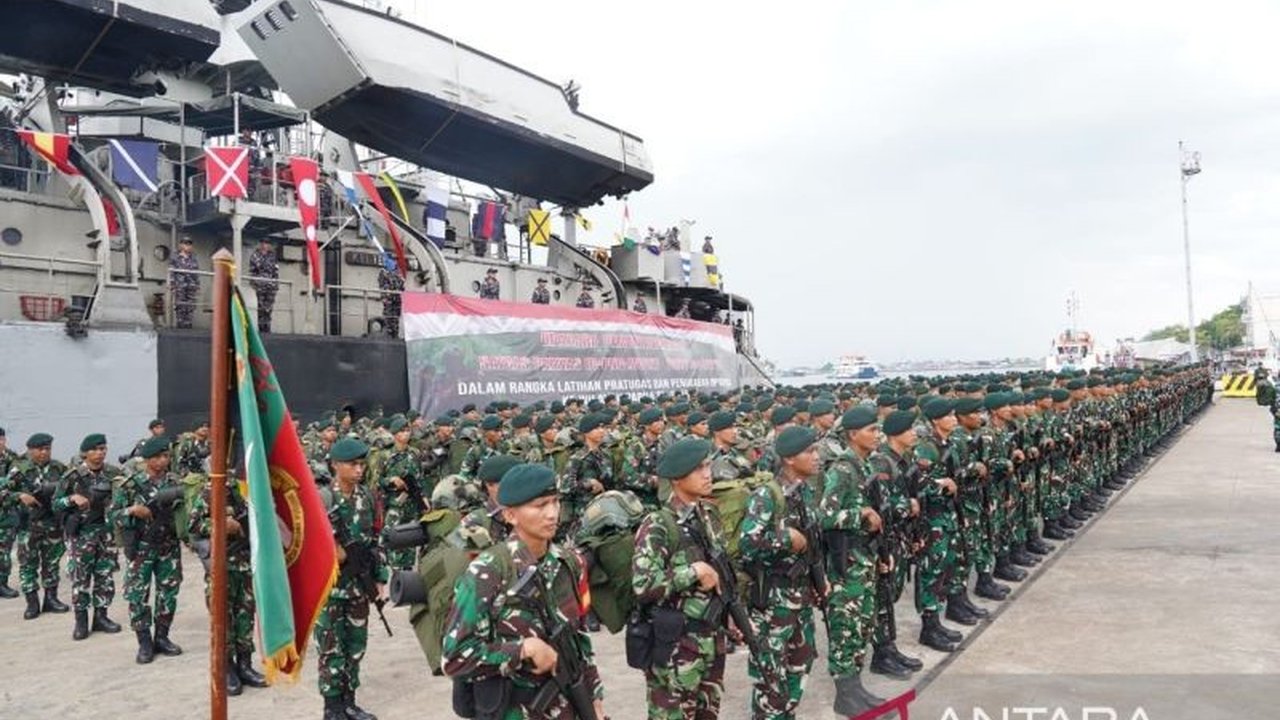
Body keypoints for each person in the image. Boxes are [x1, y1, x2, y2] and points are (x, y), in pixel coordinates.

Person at [442, 463, 606, 720]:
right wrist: (522, 650)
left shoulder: (568, 562)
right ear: (510, 516)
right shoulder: (489, 570)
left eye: (555, 502)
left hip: (569, 704)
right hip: (514, 709)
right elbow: (455, 658)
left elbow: (579, 638)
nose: (552, 514)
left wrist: (594, 696)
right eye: (540, 506)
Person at [631, 437, 728, 720]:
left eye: (708, 465)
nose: (708, 474)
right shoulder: (658, 524)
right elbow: (642, 584)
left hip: (710, 637)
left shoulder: (707, 513)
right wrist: (693, 572)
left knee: (707, 712)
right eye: (698, 469)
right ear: (676, 478)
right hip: (676, 647)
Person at [739, 426, 824, 719]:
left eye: (816, 450)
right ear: (788, 459)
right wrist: (786, 538)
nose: (817, 457)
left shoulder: (803, 492)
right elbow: (747, 544)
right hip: (772, 606)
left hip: (798, 600)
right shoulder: (767, 494)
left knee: (799, 669)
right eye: (809, 452)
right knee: (770, 681)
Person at [820, 408, 888, 714]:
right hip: (845, 564)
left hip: (863, 558)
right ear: (852, 434)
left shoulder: (865, 465)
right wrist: (858, 514)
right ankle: (844, 694)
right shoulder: (843, 470)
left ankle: (855, 686)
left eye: (877, 430)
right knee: (845, 627)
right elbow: (824, 516)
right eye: (871, 430)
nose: (877, 435)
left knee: (861, 625)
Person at [317, 438, 388, 720]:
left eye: (361, 464)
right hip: (329, 589)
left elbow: (375, 540)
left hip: (359, 586)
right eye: (352, 464)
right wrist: (331, 551)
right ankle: (332, 707)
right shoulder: (322, 498)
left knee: (356, 646)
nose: (359, 469)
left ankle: (349, 701)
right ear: (335, 465)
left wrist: (379, 578)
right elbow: (303, 542)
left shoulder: (368, 497)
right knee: (331, 649)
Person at [187, 469, 269, 695]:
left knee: (245, 615)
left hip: (244, 565)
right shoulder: (211, 491)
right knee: (224, 617)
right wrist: (222, 524)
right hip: (222, 565)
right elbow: (192, 526)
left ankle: (245, 664)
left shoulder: (248, 490)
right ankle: (227, 668)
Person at [112, 436, 184, 663]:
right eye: (158, 457)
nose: (163, 461)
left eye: (165, 456)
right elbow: (111, 515)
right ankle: (144, 641)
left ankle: (162, 637)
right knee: (137, 596)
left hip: (168, 547)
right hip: (141, 548)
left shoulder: (175, 482)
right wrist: (132, 511)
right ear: (147, 459)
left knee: (168, 593)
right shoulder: (131, 484)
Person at [54, 434, 123, 640]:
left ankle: (101, 617)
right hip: (81, 535)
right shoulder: (72, 476)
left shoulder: (113, 474)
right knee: (80, 579)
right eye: (96, 449)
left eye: (103, 448)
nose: (100, 453)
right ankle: (81, 621)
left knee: (105, 577)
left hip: (105, 534)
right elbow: (55, 504)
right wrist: (71, 498)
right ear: (85, 452)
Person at [2, 432, 69, 619]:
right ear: (30, 450)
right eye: (40, 449)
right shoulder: (19, 469)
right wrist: (19, 496)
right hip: (28, 525)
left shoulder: (58, 468)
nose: (44, 453)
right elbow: (3, 493)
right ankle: (32, 603)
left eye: (47, 449)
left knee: (52, 563)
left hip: (52, 524)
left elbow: (70, 489)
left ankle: (51, 599)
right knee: (28, 565)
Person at [0, 426, 18, 599]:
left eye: (1, 439)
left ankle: (2, 584)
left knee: (4, 552)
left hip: (6, 514)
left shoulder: (12, 458)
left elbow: (18, 479)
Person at [248, 237, 279, 333]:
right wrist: (254, 284)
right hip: (260, 286)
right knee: (260, 308)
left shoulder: (272, 256)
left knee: (268, 308)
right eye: (263, 242)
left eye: (267, 243)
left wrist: (275, 284)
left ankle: (267, 329)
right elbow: (252, 272)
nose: (265, 245)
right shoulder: (255, 256)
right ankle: (261, 329)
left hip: (270, 286)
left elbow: (275, 272)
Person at [170, 236, 200, 329]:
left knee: (190, 305)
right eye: (186, 244)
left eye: (189, 244)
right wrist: (172, 283)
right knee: (180, 304)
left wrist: (198, 284)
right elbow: (171, 271)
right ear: (181, 245)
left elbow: (196, 272)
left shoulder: (193, 258)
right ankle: (180, 324)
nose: (188, 246)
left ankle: (188, 324)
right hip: (180, 285)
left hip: (191, 285)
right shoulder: (175, 257)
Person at [377, 253, 405, 337]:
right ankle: (388, 335)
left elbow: (401, 284)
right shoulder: (383, 272)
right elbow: (384, 285)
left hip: (397, 299)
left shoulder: (398, 272)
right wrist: (385, 297)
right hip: (389, 299)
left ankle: (395, 335)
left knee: (395, 319)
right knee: (388, 318)